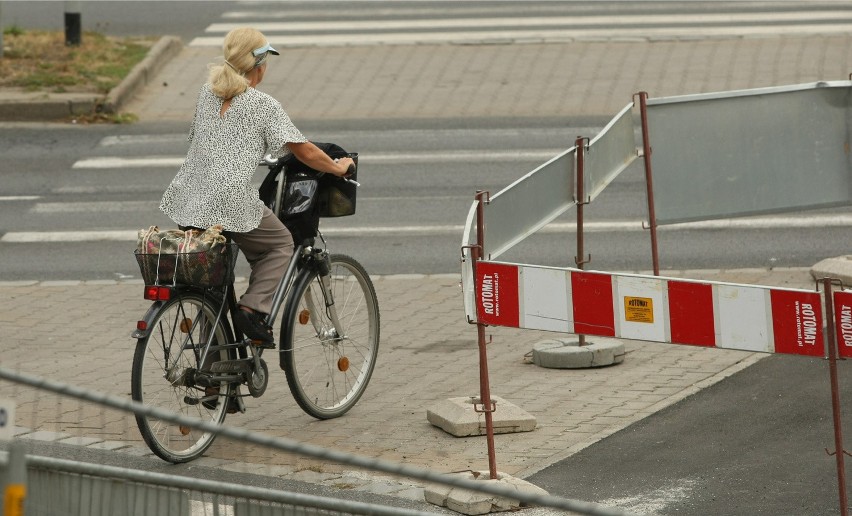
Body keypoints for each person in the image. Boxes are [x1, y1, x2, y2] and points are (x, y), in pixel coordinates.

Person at [160, 27, 354, 346]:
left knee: (214, 288)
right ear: (259, 65)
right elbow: (302, 149)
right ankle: (252, 309)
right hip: (229, 201)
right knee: (279, 244)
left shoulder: (206, 92)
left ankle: (215, 382)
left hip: (187, 197)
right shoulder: (260, 104)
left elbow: (200, 139)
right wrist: (337, 166)